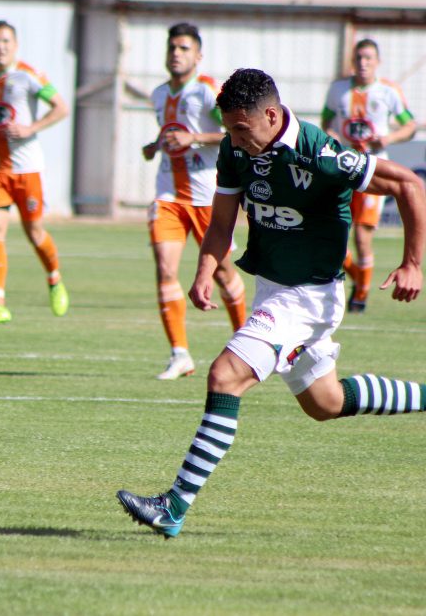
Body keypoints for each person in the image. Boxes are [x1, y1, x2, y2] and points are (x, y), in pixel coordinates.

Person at [117, 68, 425, 538]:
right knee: (325, 402)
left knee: (224, 376)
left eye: (242, 129)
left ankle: (173, 505)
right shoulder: (234, 150)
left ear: (272, 114)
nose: (235, 140)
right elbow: (221, 224)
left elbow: (409, 185)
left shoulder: (321, 154)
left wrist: (412, 263)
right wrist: (203, 272)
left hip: (308, 297)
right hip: (273, 289)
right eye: (229, 130)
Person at [142, 23, 247, 380]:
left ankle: (247, 344)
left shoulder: (207, 91)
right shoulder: (158, 94)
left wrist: (195, 139)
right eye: (172, 47)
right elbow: (170, 135)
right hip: (168, 193)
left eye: (184, 48)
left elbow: (235, 131)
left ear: (197, 56)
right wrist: (154, 145)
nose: (176, 53)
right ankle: (179, 353)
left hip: (207, 196)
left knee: (222, 272)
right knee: (165, 269)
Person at [0, 20, 70, 324]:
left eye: (6, 41)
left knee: (34, 233)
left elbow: (61, 107)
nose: (1, 46)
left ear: (15, 45)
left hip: (27, 169)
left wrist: (31, 128)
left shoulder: (29, 75)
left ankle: (54, 277)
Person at [322, 38, 417, 313]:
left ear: (378, 62)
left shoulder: (388, 90)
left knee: (362, 237)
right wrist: (330, 136)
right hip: (340, 168)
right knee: (332, 234)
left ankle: (360, 295)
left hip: (372, 171)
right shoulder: (337, 89)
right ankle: (356, 279)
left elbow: (409, 125)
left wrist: (388, 138)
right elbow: (326, 121)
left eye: (368, 58)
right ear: (353, 60)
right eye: (359, 58)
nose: (363, 63)